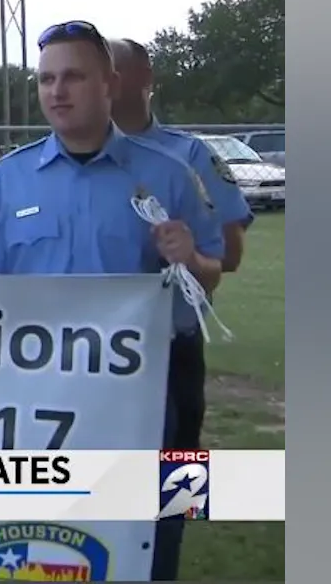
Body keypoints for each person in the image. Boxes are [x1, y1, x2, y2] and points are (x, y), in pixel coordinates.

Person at [0, 22, 225, 583]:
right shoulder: (5, 181)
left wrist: (192, 258)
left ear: (110, 83)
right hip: (40, 389)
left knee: (168, 511)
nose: (57, 90)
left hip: (157, 382)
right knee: (51, 528)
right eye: (46, 79)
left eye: (73, 76)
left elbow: (213, 277)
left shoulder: (171, 173)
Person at [110, 36, 253, 581]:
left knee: (175, 480)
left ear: (145, 78)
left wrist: (191, 256)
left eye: (116, 70)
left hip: (171, 349)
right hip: (89, 356)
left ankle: (163, 563)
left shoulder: (189, 155)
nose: (109, 81)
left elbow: (231, 251)